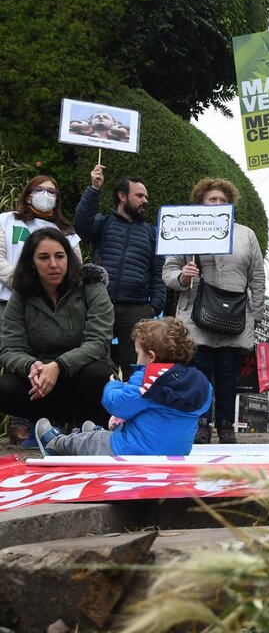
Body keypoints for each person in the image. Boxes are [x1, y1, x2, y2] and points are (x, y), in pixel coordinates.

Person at [163, 178, 266, 444]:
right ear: (201, 203)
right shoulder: (187, 230)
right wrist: (183, 277)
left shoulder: (246, 235)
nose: (218, 204)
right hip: (196, 315)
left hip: (234, 315)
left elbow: (257, 275)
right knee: (199, 370)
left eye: (223, 200)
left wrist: (255, 313)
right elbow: (169, 271)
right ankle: (201, 422)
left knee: (227, 371)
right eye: (212, 199)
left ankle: (226, 424)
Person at [34, 318, 212, 456]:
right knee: (134, 426)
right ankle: (103, 433)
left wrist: (113, 385)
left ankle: (55, 443)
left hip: (132, 451)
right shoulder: (197, 381)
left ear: (151, 356)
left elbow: (117, 405)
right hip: (175, 453)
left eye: (137, 353)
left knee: (88, 441)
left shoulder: (149, 379)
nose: (136, 359)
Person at [0, 228, 115, 431]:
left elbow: (98, 342)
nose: (53, 264)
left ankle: (86, 426)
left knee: (99, 375)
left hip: (82, 373)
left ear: (69, 258)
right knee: (6, 386)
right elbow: (10, 348)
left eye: (60, 256)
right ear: (32, 263)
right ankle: (44, 426)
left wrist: (59, 366)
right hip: (41, 379)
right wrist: (31, 367)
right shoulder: (20, 296)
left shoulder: (92, 287)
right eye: (43, 257)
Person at [0, 175, 83, 443]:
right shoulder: (6, 220)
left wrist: (45, 283)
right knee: (17, 359)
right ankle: (19, 419)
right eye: (40, 190)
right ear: (27, 193)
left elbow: (76, 266)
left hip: (53, 302)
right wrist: (29, 281)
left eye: (52, 192)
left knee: (54, 357)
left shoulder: (66, 231)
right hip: (10, 299)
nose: (45, 195)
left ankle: (55, 419)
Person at [74, 164, 165, 380]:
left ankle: (129, 413)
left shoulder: (152, 234)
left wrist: (154, 307)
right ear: (122, 196)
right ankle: (92, 413)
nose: (146, 201)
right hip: (100, 304)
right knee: (92, 361)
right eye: (140, 195)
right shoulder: (104, 223)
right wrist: (94, 189)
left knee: (136, 369)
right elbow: (82, 225)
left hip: (137, 309)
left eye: (146, 196)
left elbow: (157, 272)